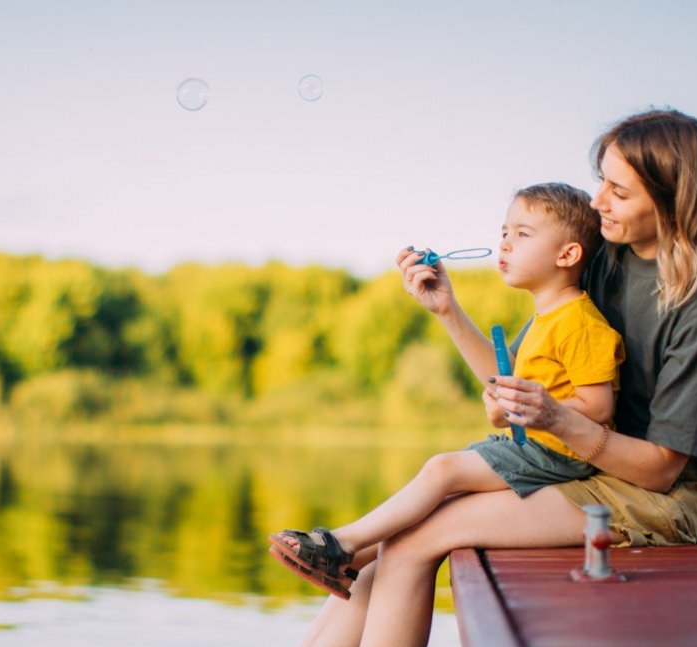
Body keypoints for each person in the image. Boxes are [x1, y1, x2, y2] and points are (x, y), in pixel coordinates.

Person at [141, 108, 697, 647]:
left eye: (618, 190)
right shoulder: (609, 259)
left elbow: (659, 469)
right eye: (601, 183)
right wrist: (449, 312)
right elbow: (515, 392)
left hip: (658, 494)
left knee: (415, 541)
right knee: (392, 542)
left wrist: (560, 421)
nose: (598, 204)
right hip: (579, 457)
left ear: (674, 194)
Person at [266, 182, 623, 600]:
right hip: (540, 450)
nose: (505, 244)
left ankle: (339, 544)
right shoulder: (546, 319)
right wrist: (508, 406)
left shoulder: (580, 323)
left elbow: (598, 408)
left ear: (568, 255)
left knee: (443, 471)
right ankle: (349, 562)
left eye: (522, 235)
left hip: (560, 457)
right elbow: (525, 395)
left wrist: (529, 409)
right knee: (445, 486)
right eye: (504, 232)